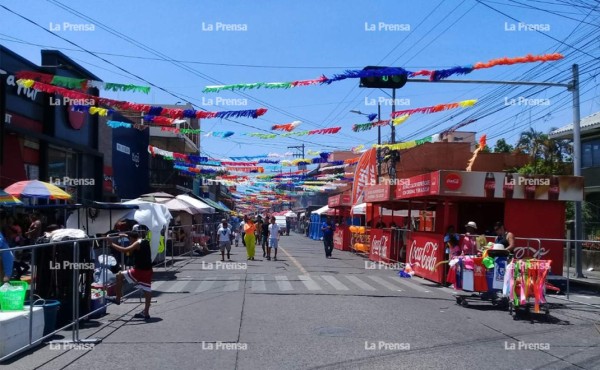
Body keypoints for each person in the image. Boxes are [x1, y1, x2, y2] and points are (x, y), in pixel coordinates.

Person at [108, 229, 153, 321]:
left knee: (119, 275)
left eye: (130, 239)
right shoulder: (144, 240)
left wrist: (111, 244)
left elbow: (125, 250)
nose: (129, 241)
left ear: (133, 238)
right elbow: (132, 237)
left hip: (139, 270)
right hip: (148, 269)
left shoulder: (137, 243)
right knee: (147, 290)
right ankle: (146, 313)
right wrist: (125, 235)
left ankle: (118, 298)